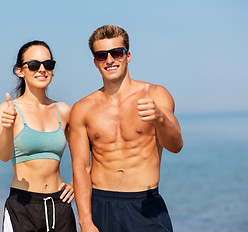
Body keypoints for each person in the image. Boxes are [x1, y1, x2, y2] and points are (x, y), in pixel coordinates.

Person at [69, 25, 184, 232]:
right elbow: (81, 168)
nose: (110, 60)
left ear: (128, 55)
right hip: (101, 205)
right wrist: (85, 221)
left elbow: (176, 145)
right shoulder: (82, 109)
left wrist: (159, 118)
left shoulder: (156, 95)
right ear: (95, 62)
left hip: (146, 205)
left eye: (116, 53)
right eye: (102, 55)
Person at [0, 40, 77, 232]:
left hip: (60, 205)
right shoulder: (8, 109)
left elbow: (85, 155)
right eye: (34, 65)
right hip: (22, 207)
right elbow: (4, 155)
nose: (42, 70)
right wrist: (8, 127)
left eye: (48, 65)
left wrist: (75, 183)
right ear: (20, 71)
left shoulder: (63, 110)